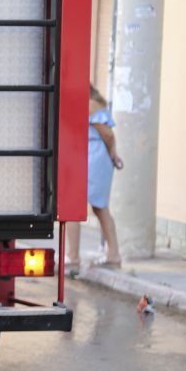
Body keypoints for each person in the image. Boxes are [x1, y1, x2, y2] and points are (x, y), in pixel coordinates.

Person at [66, 85, 124, 276]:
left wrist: (113, 152)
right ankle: (112, 255)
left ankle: (73, 257)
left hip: (93, 157)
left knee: (74, 206)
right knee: (100, 208)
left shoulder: (89, 105)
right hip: (95, 156)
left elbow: (107, 134)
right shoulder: (96, 104)